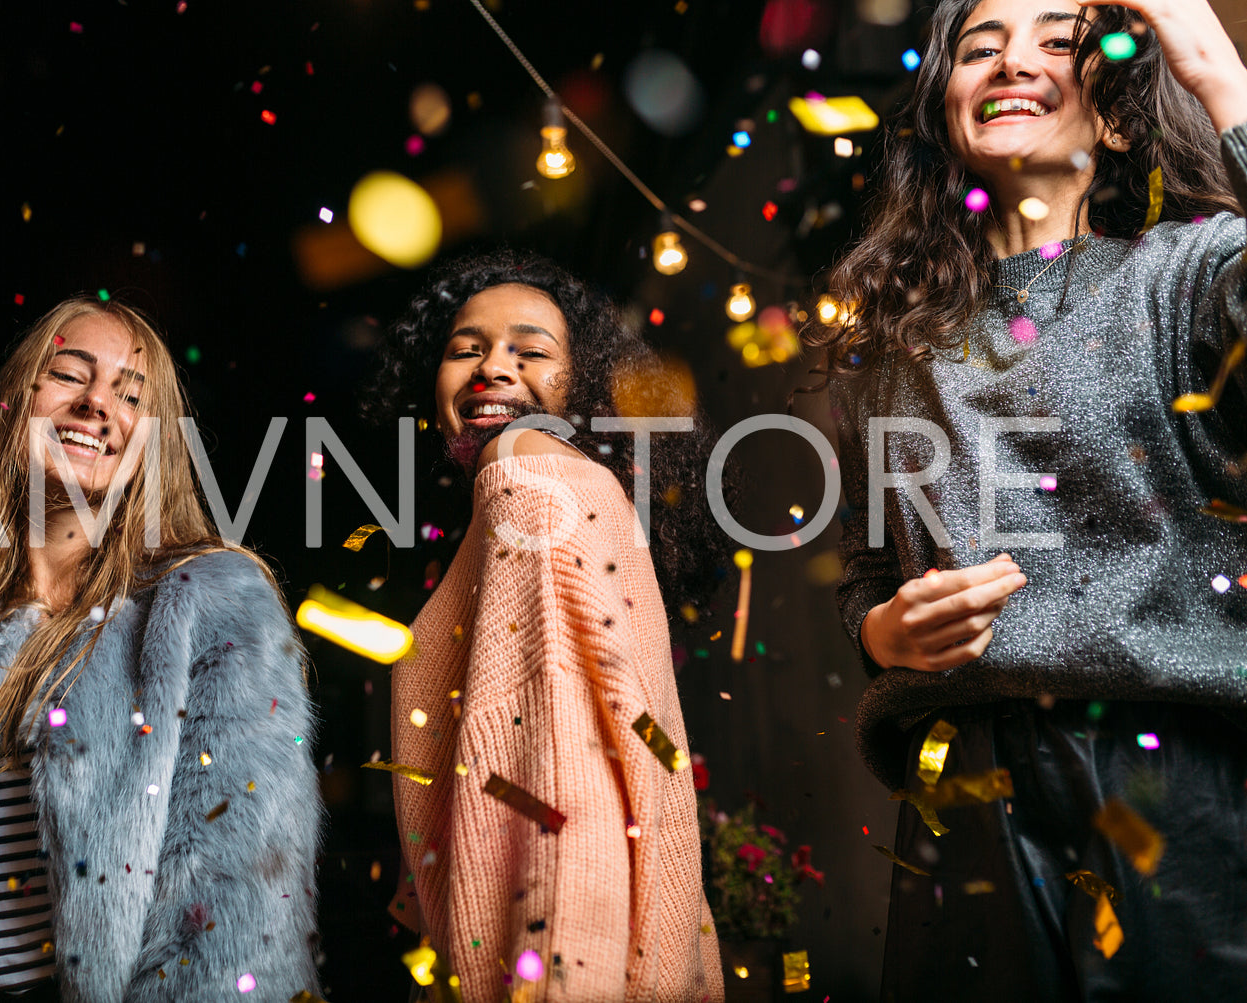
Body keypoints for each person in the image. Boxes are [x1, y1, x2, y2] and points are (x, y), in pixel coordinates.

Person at [807, 0, 1247, 997]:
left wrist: (1214, 70)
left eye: (1058, 42)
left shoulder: (1194, 272)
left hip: (1170, 775)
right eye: (978, 46)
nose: (1012, 61)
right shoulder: (893, 348)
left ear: (1120, 118)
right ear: (942, 111)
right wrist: (880, 634)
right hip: (961, 783)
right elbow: (869, 569)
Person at [0, 297, 324, 1001]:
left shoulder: (212, 604)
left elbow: (238, 900)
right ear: (17, 400)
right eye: (68, 375)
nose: (96, 404)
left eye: (130, 394)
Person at [366, 251, 726, 1000]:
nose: (491, 367)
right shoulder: (544, 496)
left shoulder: (528, 472)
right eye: (465, 348)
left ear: (581, 384)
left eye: (529, 351)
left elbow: (563, 795)